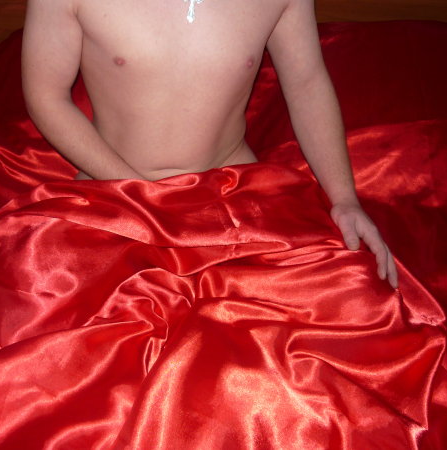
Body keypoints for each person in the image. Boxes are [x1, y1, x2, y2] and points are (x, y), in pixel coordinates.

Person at [21, 0, 398, 288]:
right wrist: (138, 193)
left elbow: (306, 82)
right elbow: (46, 95)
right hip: (116, 196)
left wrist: (344, 198)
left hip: (233, 203)